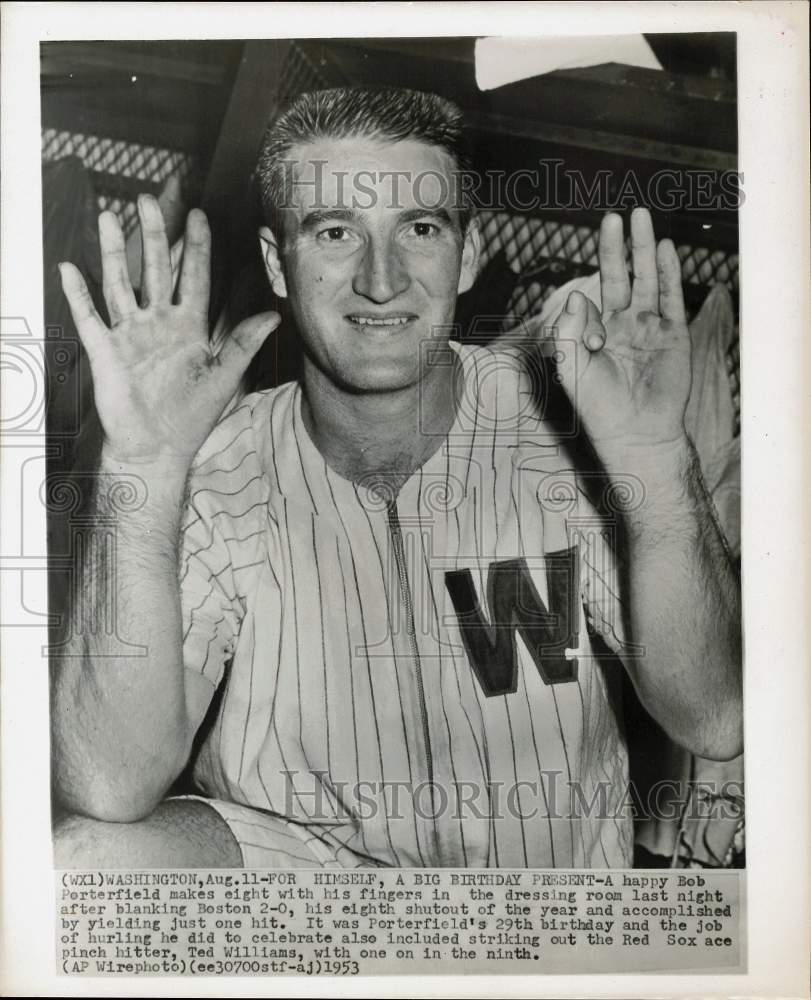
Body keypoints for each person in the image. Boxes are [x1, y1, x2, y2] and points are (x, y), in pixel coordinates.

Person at [51, 86, 742, 869]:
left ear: (468, 253)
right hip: (319, 894)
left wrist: (654, 462)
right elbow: (108, 784)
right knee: (86, 866)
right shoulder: (219, 467)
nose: (381, 281)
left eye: (418, 229)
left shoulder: (569, 430)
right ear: (279, 263)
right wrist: (140, 468)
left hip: (540, 908)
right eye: (336, 232)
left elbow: (714, 720)